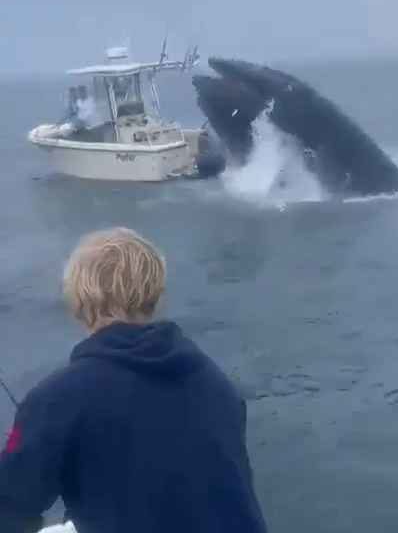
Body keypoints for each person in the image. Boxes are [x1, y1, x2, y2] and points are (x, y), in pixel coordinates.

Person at [0, 228, 267, 533]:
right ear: (156, 294)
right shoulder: (214, 382)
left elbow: (9, 506)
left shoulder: (57, 398)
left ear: (77, 300)